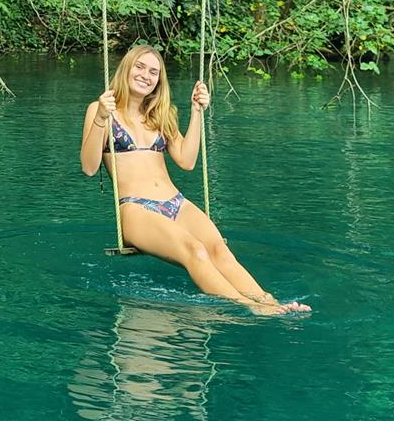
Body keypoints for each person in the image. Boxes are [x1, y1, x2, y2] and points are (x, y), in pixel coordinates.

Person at [80, 43, 310, 317]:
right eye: (139, 67)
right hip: (136, 208)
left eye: (153, 71)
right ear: (126, 69)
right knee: (196, 251)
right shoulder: (100, 109)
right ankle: (252, 308)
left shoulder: (159, 114)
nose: (145, 75)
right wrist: (101, 119)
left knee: (220, 251)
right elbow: (89, 167)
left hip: (175, 203)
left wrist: (197, 111)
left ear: (158, 81)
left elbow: (186, 161)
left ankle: (270, 301)